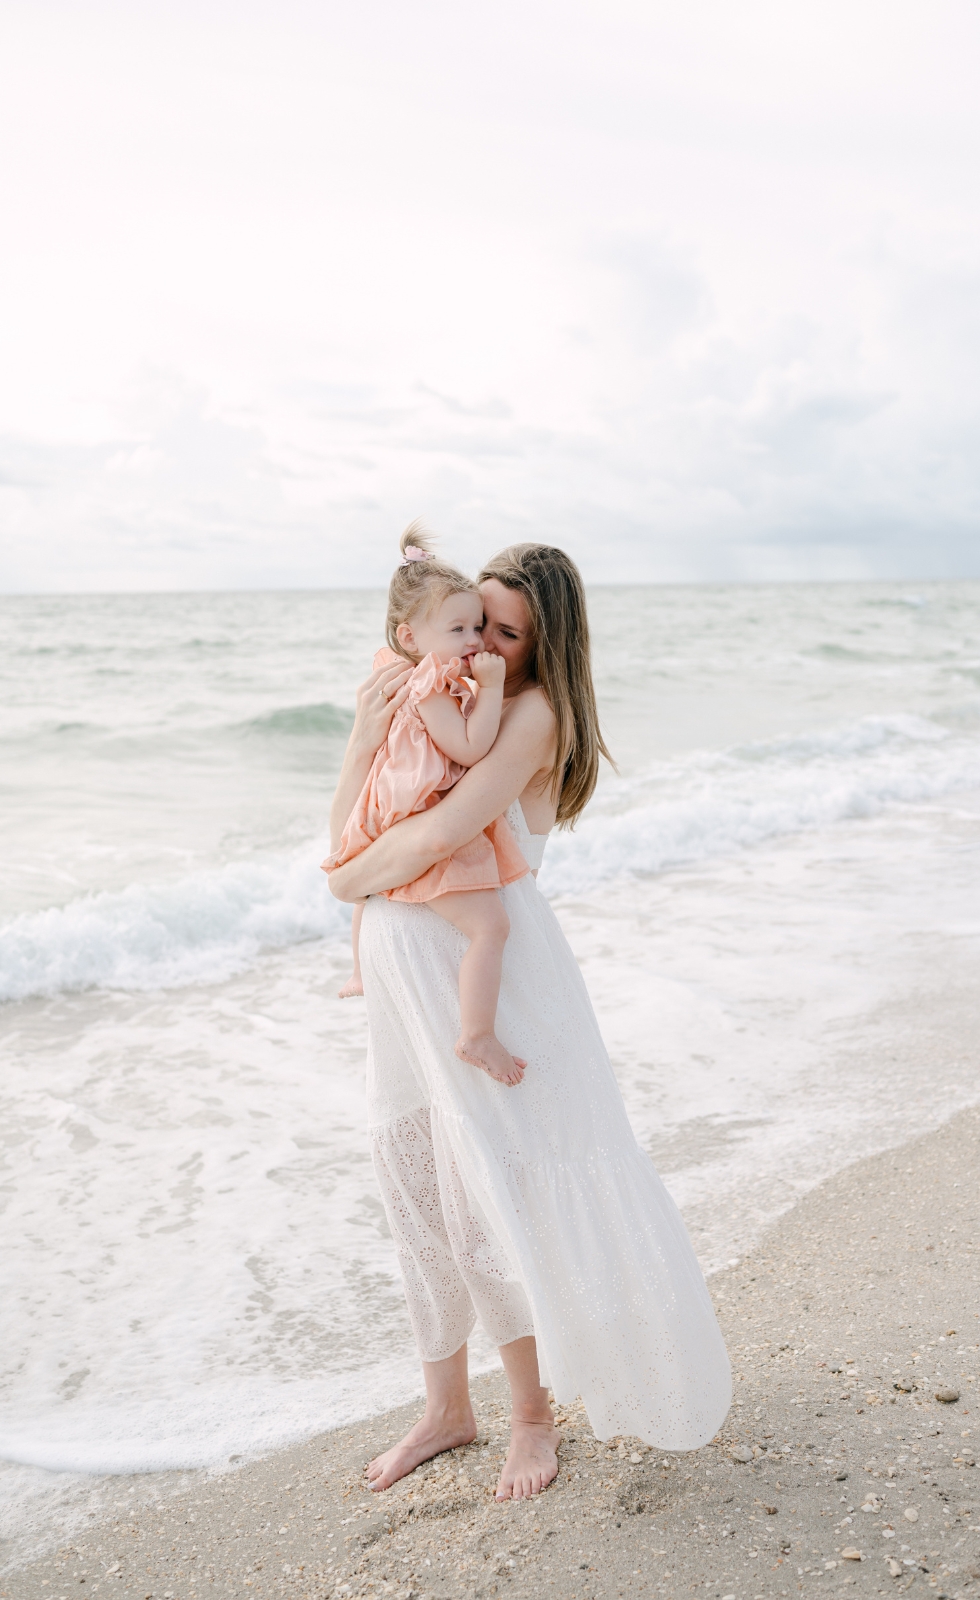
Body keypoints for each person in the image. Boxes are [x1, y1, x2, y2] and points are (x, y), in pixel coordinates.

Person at [325, 542, 729, 1503]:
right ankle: (445, 1407)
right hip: (398, 958)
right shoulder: (436, 688)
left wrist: (343, 882)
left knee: (484, 1195)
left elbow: (434, 834)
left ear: (545, 644)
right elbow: (348, 820)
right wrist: (356, 736)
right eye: (478, 624)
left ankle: (533, 1419)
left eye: (507, 634)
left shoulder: (530, 712)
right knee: (412, 1179)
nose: (485, 649)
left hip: (475, 972)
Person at [321, 527, 531, 1085]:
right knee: (491, 929)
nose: (475, 642)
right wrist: (488, 692)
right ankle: (477, 1034)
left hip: (394, 809)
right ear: (410, 635)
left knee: (369, 885)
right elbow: (467, 746)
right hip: (418, 810)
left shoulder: (401, 672)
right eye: (459, 628)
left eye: (481, 628)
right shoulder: (432, 683)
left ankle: (360, 969)